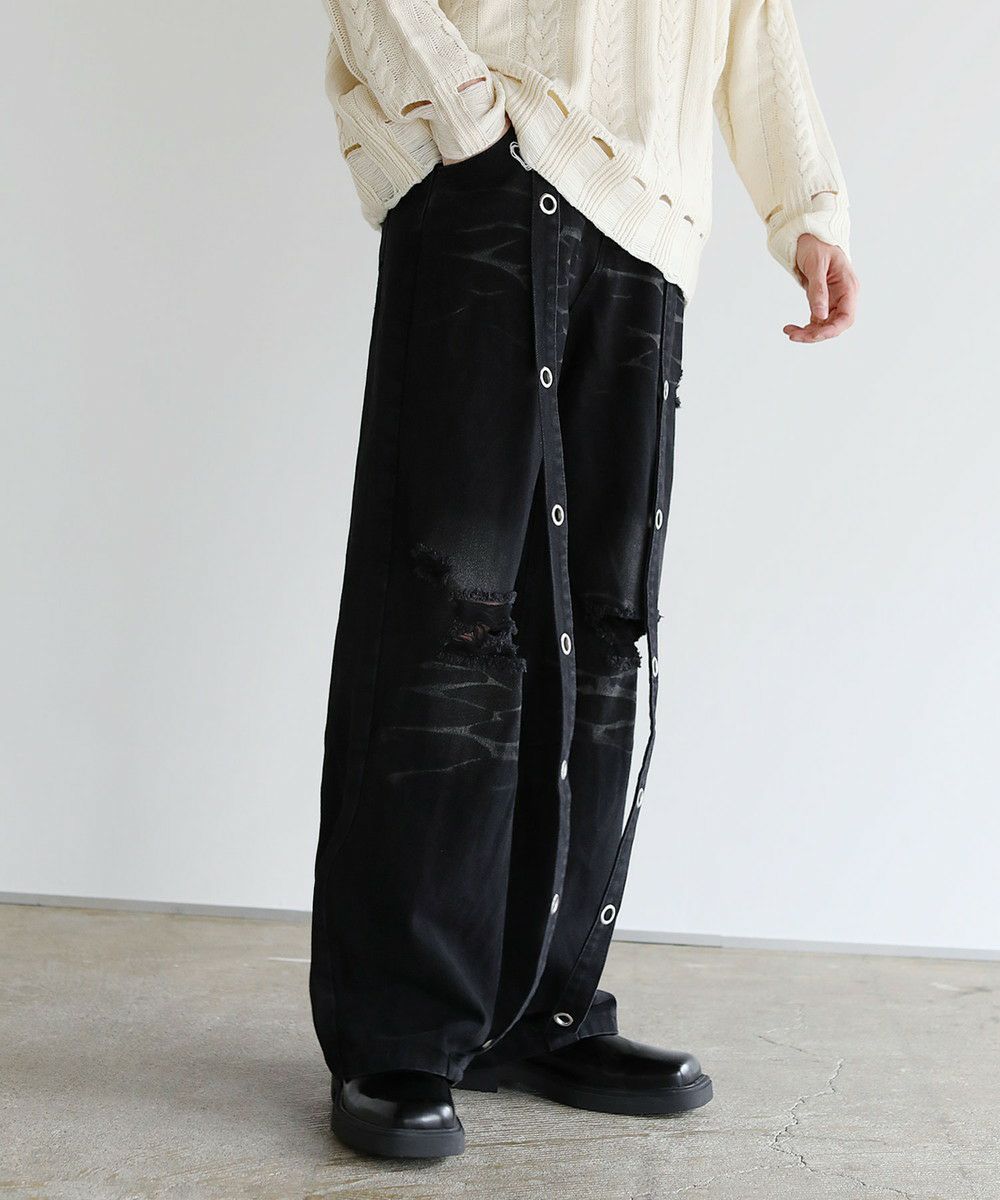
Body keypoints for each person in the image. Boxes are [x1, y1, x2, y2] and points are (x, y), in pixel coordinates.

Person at [310, 0, 859, 1160]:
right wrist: (459, 112)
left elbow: (753, 18)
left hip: (650, 225)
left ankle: (538, 1009)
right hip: (493, 171)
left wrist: (806, 208)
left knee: (604, 637)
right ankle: (401, 1030)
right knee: (451, 614)